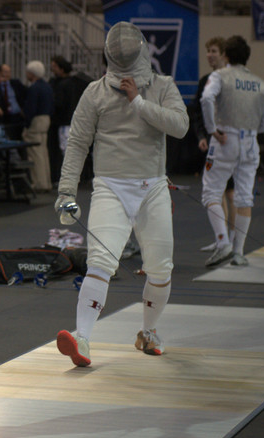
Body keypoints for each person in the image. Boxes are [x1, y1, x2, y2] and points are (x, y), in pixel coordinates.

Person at [55, 22, 188, 367]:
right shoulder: (95, 93)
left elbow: (180, 126)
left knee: (160, 268)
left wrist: (139, 103)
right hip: (110, 187)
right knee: (100, 262)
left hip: (153, 187)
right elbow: (78, 144)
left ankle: (149, 332)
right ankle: (82, 338)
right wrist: (66, 191)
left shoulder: (162, 86)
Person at [200, 35, 264, 267]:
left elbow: (206, 99)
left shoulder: (220, 76)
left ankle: (223, 243)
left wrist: (212, 130)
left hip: (225, 140)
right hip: (251, 143)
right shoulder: (261, 84)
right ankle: (239, 252)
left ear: (226, 56)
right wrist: (250, 130)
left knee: (211, 191)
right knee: (244, 197)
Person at [194, 37, 235, 253]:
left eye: (214, 51)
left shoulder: (232, 79)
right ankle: (223, 238)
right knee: (217, 192)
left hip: (230, 141)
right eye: (207, 50)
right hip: (214, 143)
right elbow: (198, 112)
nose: (209, 54)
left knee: (231, 193)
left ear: (223, 54)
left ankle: (234, 239)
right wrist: (204, 134)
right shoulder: (204, 81)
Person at [48, 56, 86, 184]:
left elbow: (59, 103)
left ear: (61, 68)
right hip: (73, 121)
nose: (52, 70)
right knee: (71, 151)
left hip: (64, 122)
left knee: (66, 151)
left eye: (54, 67)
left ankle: (69, 178)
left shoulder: (62, 85)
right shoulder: (75, 83)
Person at [22, 60, 53, 192]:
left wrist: (26, 124)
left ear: (31, 73)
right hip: (46, 120)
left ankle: (39, 183)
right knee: (43, 153)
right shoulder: (47, 86)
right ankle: (46, 182)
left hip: (36, 121)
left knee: (35, 154)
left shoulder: (34, 88)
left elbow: (31, 109)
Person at [0, 62, 25, 140]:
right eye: (5, 72)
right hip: (4, 116)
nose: (7, 74)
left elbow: (24, 95)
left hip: (17, 117)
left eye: (9, 72)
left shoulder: (16, 83)